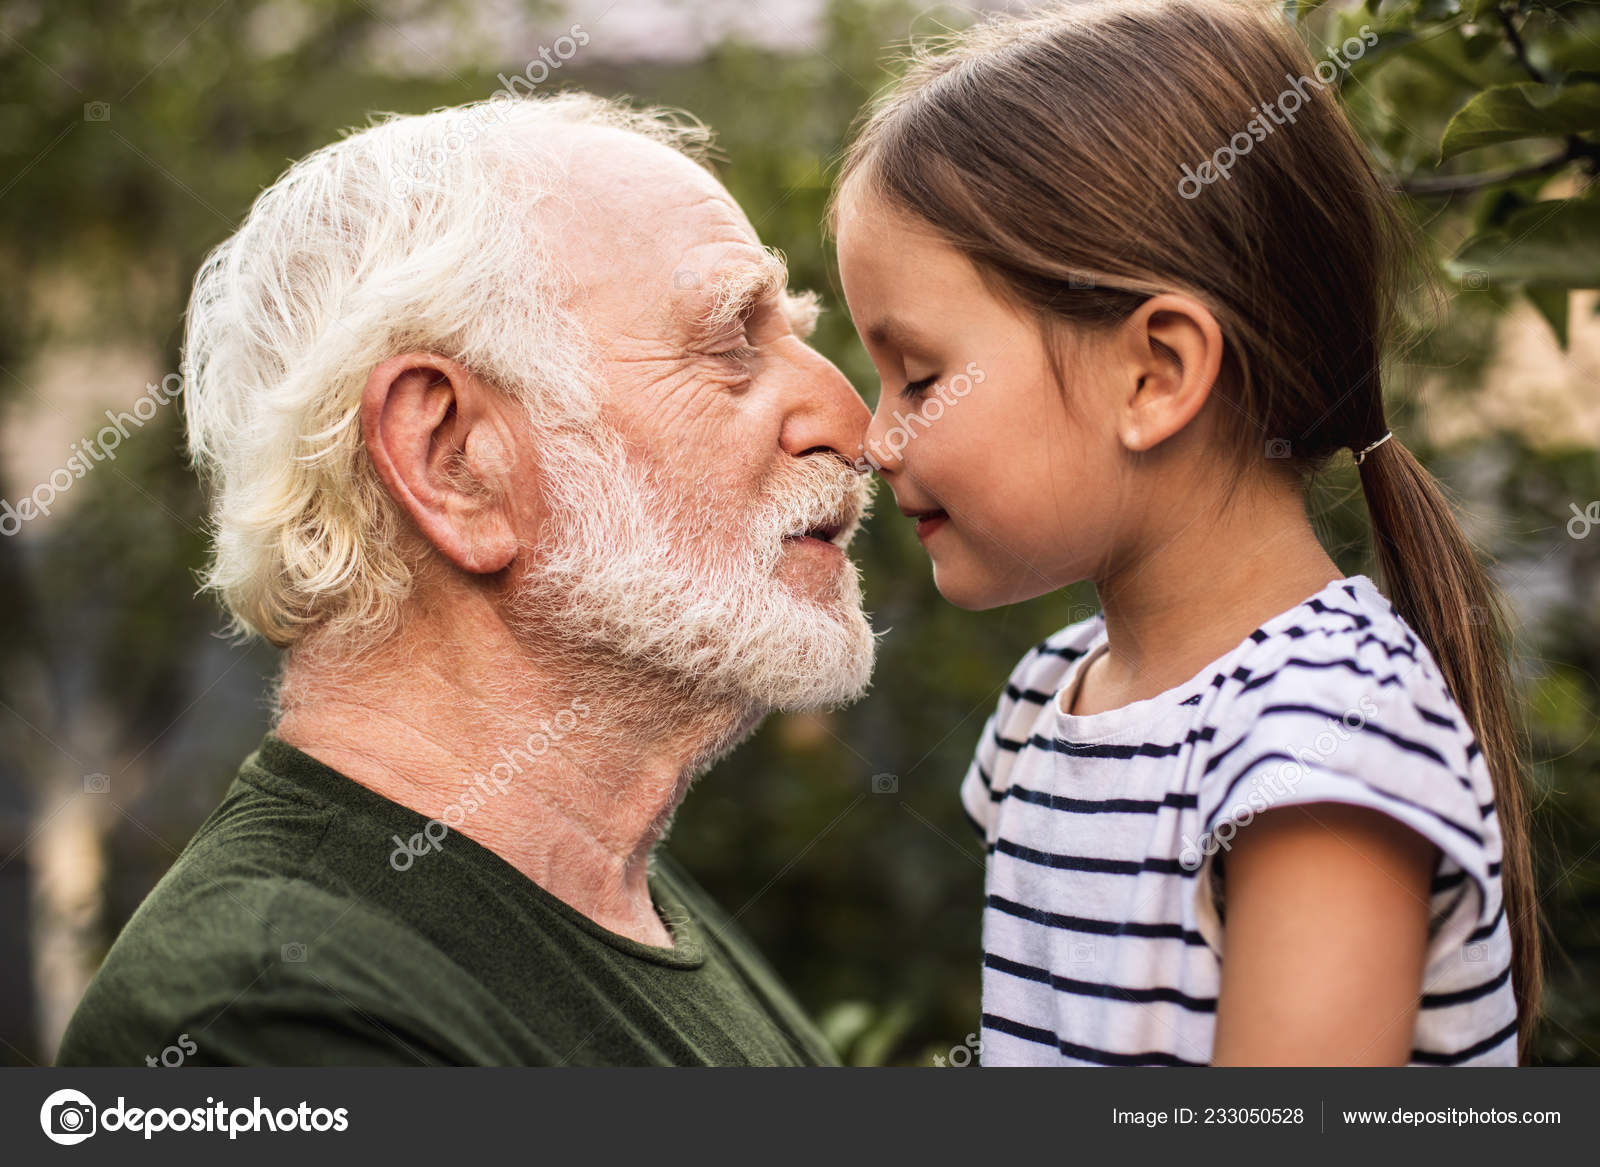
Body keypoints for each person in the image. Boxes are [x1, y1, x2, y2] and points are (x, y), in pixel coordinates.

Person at [57, 92, 878, 1066]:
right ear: (450, 459)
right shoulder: (267, 1017)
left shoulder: (619, 899)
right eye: (732, 343)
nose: (855, 425)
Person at [830, 0, 1536, 1066]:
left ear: (1154, 374)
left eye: (922, 377)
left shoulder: (1322, 749)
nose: (879, 440)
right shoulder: (1046, 702)